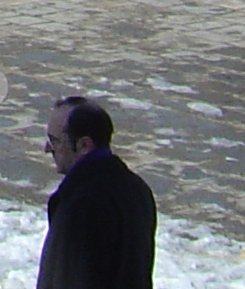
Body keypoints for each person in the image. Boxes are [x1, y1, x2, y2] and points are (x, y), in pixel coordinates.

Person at [37, 95, 156, 289]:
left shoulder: (82, 205)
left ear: (84, 145)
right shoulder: (137, 189)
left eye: (55, 140)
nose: (47, 149)